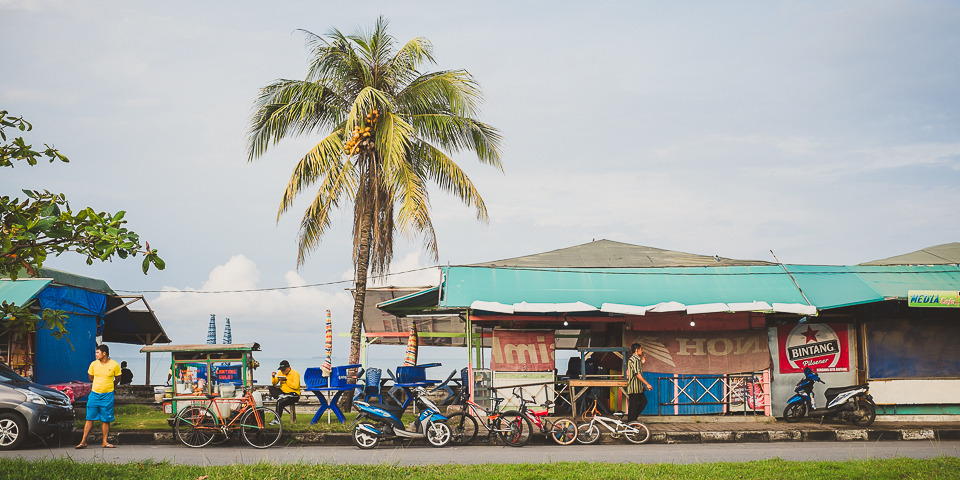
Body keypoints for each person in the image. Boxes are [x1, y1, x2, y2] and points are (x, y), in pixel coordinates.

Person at [76, 344, 122, 449]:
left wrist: (111, 385)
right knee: (89, 418)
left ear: (104, 353)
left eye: (98, 352)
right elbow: (91, 377)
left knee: (106, 419)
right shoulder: (94, 364)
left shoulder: (114, 365)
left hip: (108, 395)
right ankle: (83, 441)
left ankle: (105, 442)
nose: (96, 354)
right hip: (94, 394)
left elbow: (118, 378)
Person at [626, 343, 653, 422]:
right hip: (634, 387)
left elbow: (636, 368)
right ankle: (631, 423)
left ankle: (633, 421)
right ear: (637, 350)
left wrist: (642, 362)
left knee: (642, 403)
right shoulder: (635, 359)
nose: (642, 351)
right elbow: (637, 374)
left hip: (638, 387)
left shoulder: (636, 359)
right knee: (634, 406)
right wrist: (647, 384)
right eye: (641, 349)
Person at [268, 360, 301, 424]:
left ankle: (276, 419)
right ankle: (280, 396)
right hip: (283, 393)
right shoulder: (280, 372)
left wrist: (286, 380)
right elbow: (274, 383)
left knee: (280, 402)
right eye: (281, 370)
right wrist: (273, 377)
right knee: (270, 388)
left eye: (284, 370)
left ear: (288, 368)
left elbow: (296, 386)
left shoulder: (295, 373)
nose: (282, 371)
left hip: (294, 394)